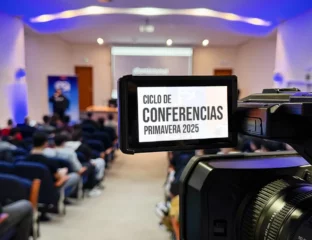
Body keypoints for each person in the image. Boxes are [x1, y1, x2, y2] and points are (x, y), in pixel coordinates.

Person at [26, 132, 80, 196]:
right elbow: (58, 178)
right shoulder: (49, 162)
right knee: (75, 176)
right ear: (45, 143)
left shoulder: (24, 160)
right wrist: (63, 174)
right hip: (48, 192)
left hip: (29, 190)